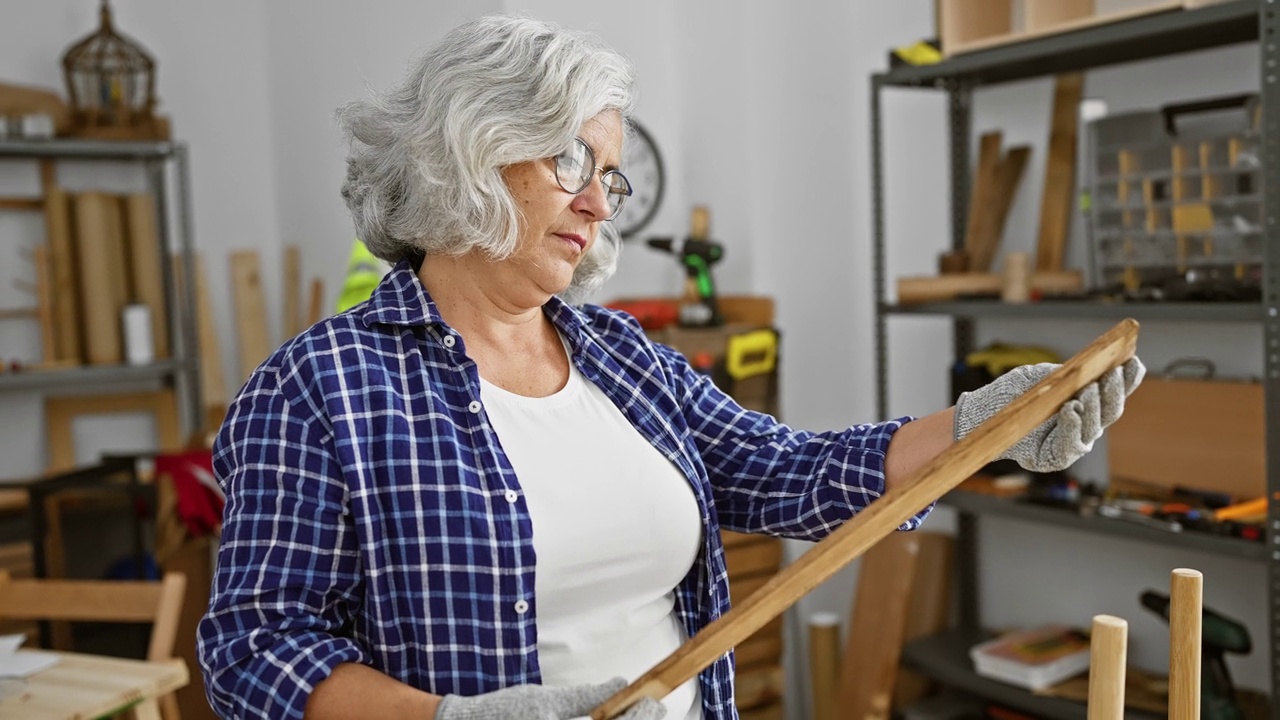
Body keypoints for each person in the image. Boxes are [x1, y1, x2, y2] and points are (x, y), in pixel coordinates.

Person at [196, 13, 1144, 720]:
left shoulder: (621, 356)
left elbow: (788, 473)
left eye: (611, 176)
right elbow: (253, 650)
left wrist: (983, 430)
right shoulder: (320, 389)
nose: (601, 205)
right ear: (470, 149)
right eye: (574, 160)